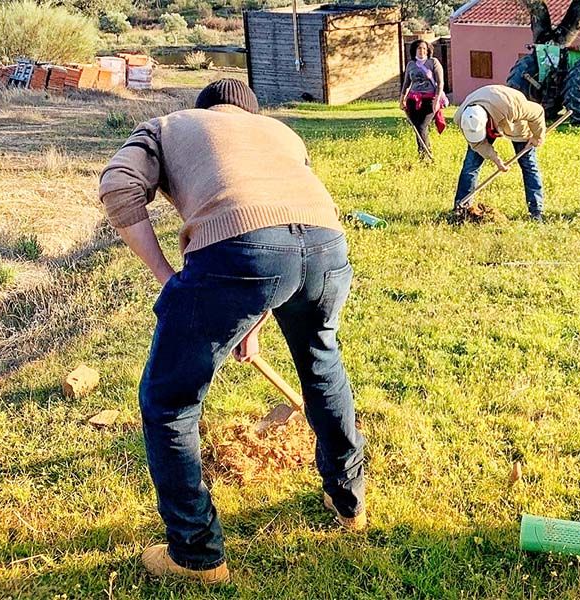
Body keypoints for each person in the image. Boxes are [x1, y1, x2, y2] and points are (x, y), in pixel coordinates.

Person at [98, 79, 366, 585]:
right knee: (321, 363)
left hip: (241, 250)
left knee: (170, 401)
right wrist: (248, 312)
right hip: (328, 246)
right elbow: (286, 234)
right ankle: (348, 499)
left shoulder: (169, 126)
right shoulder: (280, 134)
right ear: (250, 112)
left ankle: (196, 555)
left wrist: (171, 281)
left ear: (207, 110)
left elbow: (117, 185)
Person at [452, 84, 547, 222]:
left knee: (529, 165)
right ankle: (461, 209)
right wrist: (496, 160)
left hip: (515, 123)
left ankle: (536, 211)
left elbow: (537, 112)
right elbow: (477, 144)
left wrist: (538, 136)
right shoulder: (462, 118)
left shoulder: (512, 107)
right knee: (470, 165)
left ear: (487, 122)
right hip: (491, 112)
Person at [399, 39, 448, 160]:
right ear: (415, 50)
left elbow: (440, 83)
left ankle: (427, 155)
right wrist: (402, 100)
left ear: (428, 51)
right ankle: (423, 155)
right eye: (419, 48)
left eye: (424, 49)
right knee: (417, 127)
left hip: (429, 99)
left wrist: (436, 101)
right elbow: (406, 84)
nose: (422, 51)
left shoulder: (433, 62)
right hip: (413, 100)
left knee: (422, 126)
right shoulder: (411, 65)